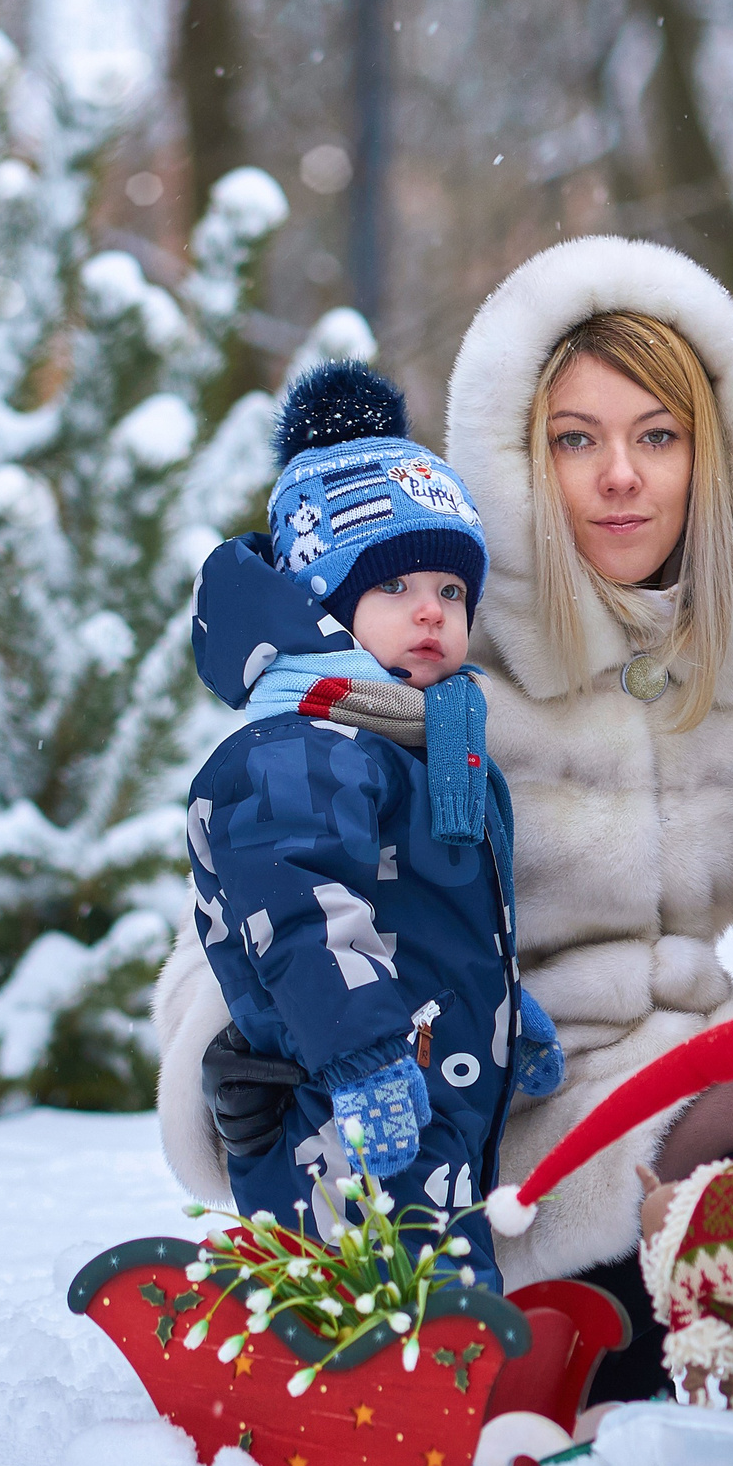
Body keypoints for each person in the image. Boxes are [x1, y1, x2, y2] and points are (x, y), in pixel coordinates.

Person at [153, 238, 733, 1402]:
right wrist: (246, 1052)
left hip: (665, 1071)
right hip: (481, 1116)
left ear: (714, 454)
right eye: (577, 439)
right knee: (546, 1391)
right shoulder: (434, 643)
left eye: (658, 436)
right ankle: (530, 1352)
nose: (621, 477)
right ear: (519, 455)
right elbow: (262, 871)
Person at [179, 360, 563, 1288]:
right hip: (338, 1102)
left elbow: (437, 925)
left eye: (452, 590)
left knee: (437, 1272)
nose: (432, 609)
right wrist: (360, 1058)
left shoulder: (417, 744)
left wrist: (510, 1019)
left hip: (427, 1100)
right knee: (364, 1277)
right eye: (395, 586)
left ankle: (452, 1361)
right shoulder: (300, 749)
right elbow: (301, 915)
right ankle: (329, 1358)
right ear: (325, 607)